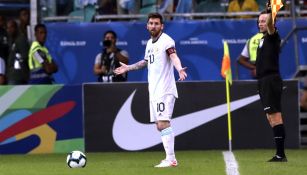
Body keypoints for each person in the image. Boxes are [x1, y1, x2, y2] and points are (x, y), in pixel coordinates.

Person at [114, 12, 187, 168]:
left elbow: (174, 56)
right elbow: (146, 62)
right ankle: (169, 158)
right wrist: (129, 67)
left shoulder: (167, 41)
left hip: (164, 88)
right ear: (147, 25)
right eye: (151, 23)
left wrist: (179, 69)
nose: (153, 26)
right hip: (153, 90)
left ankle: (171, 159)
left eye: (156, 23)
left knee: (163, 123)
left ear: (162, 26)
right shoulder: (149, 43)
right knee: (159, 125)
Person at [256, 4, 287, 162]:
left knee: (275, 117)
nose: (261, 23)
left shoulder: (272, 34)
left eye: (264, 20)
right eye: (259, 21)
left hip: (271, 79)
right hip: (263, 81)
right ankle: (280, 153)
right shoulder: (262, 39)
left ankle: (280, 155)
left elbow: (269, 24)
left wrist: (270, 11)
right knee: (271, 118)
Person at [6, 20, 29, 85]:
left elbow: (25, 56)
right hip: (11, 74)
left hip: (19, 75)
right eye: (7, 28)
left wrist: (18, 64)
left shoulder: (21, 40)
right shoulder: (10, 40)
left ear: (16, 28)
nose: (9, 30)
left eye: (11, 27)